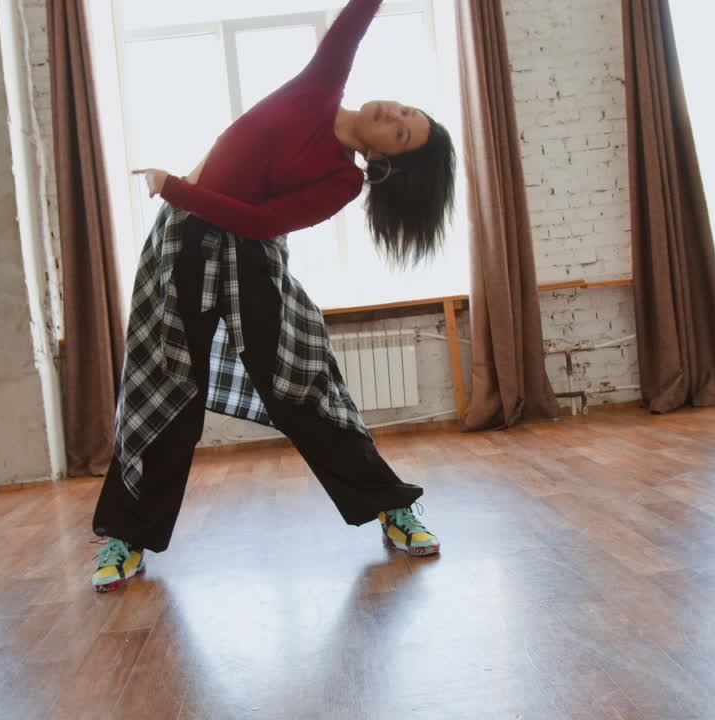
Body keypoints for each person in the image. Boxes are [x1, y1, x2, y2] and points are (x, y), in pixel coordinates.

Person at [91, 0, 457, 592]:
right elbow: (354, 22)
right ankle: (125, 538)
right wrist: (182, 198)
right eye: (406, 111)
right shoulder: (319, 85)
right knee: (163, 389)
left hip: (249, 259)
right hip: (179, 248)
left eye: (401, 131)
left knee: (303, 389)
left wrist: (177, 188)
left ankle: (393, 509)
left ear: (386, 158)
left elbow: (259, 223)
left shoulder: (343, 180)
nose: (394, 114)